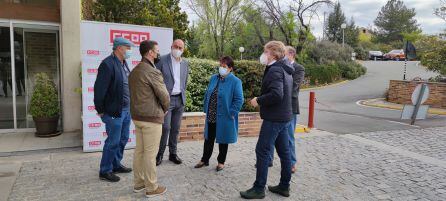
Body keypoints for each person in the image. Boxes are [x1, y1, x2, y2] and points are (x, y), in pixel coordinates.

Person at [240, 41, 294, 199]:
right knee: (285, 153)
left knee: (262, 150)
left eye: (266, 51)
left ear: (274, 54)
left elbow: (277, 94)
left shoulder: (275, 70)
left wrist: (259, 100)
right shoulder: (285, 69)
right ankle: (284, 186)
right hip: (284, 117)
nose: (263, 54)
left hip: (275, 118)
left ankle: (258, 188)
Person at [129, 40, 170, 198]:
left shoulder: (134, 71)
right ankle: (151, 187)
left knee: (139, 152)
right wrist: (165, 109)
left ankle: (139, 183)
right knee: (149, 154)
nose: (158, 53)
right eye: (157, 51)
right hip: (151, 119)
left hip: (137, 118)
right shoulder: (152, 71)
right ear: (150, 53)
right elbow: (164, 95)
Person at [94, 37, 134, 182]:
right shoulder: (107, 64)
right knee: (113, 141)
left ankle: (116, 164)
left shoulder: (124, 63)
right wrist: (101, 110)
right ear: (119, 48)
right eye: (127, 47)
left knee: (123, 139)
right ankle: (105, 170)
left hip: (126, 110)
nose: (129, 51)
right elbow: (99, 90)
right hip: (113, 112)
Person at [194, 56, 244, 171]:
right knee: (208, 138)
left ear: (230, 68)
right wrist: (205, 107)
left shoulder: (236, 81)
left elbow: (239, 99)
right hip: (212, 113)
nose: (221, 68)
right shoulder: (214, 78)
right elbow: (208, 93)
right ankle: (204, 159)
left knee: (223, 139)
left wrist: (232, 112)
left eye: (224, 66)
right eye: (220, 65)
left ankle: (221, 162)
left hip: (225, 115)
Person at [156, 39, 189, 166]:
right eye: (176, 46)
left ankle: (173, 154)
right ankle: (159, 154)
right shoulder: (161, 60)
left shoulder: (185, 63)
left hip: (179, 100)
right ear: (171, 47)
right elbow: (156, 80)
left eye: (181, 48)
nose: (178, 49)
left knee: (175, 129)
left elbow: (184, 82)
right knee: (165, 128)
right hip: (166, 100)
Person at [285, 46, 305, 173]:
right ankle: (268, 159)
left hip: (290, 107)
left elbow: (295, 88)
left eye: (284, 54)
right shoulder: (280, 66)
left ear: (291, 54)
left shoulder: (299, 68)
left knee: (289, 136)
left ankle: (292, 163)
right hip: (277, 106)